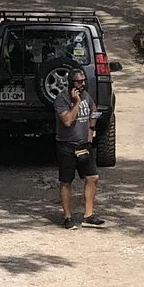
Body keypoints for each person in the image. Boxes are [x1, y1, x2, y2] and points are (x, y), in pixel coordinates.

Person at [54, 64, 103, 227]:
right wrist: (76, 103)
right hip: (66, 145)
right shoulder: (62, 99)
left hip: (83, 145)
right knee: (66, 181)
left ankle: (89, 214)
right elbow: (67, 121)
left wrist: (91, 128)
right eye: (78, 82)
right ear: (70, 83)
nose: (81, 85)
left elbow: (95, 110)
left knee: (92, 177)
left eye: (83, 81)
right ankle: (68, 217)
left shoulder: (87, 96)